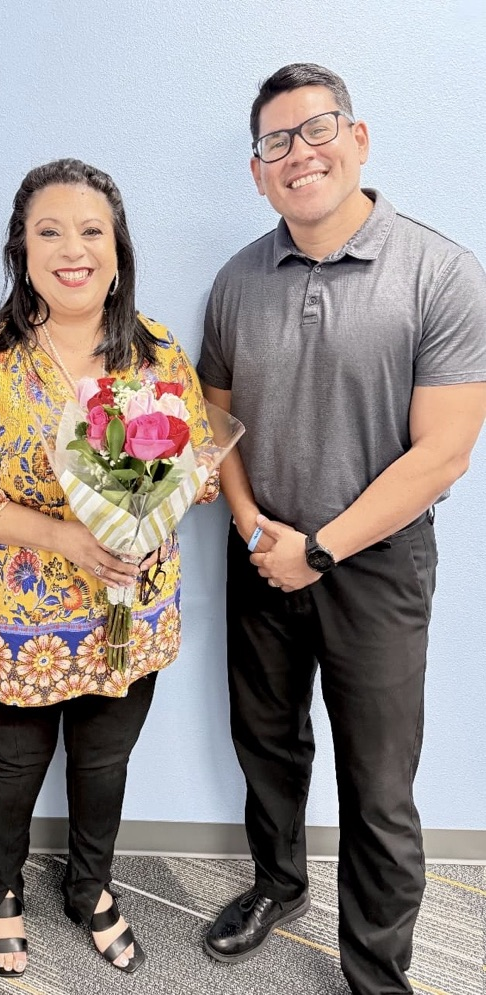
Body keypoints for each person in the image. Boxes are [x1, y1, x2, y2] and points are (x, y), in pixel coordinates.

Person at [197, 64, 486, 995]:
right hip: (260, 555)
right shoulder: (238, 279)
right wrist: (252, 527)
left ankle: (376, 970)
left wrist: (321, 548)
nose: (299, 153)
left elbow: (443, 454)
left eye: (317, 129)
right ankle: (277, 884)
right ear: (257, 172)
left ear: (358, 139)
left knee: (379, 785)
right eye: (276, 142)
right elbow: (214, 418)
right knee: (267, 746)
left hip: (376, 567)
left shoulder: (440, 272)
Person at [0, 157, 218, 978]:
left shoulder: (155, 351)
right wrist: (66, 537)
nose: (72, 248)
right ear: (21, 248)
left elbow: (203, 467)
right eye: (48, 231)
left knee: (103, 762)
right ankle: (1, 891)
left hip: (129, 609)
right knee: (13, 764)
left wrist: (156, 512)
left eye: (91, 231)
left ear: (118, 249)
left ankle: (90, 888)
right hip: (11, 619)